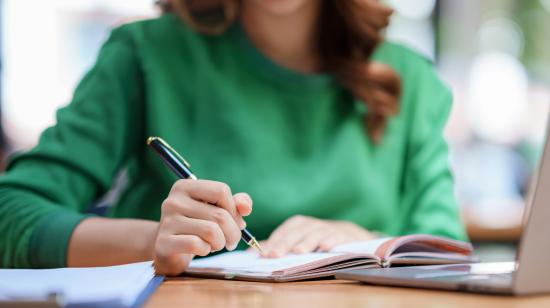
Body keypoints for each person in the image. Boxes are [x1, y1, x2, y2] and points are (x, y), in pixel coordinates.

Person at [0, 0, 467, 275]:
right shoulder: (145, 54)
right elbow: (11, 215)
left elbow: (451, 254)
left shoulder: (411, 79)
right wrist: (152, 242)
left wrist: (366, 242)